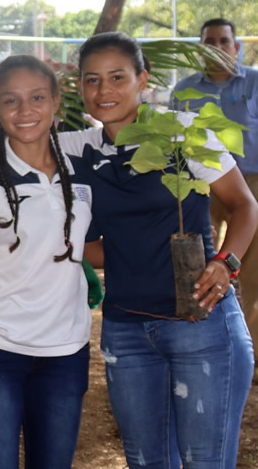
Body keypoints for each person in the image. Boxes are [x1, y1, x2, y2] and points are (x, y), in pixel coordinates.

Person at [59, 31, 256, 469]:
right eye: (91, 80)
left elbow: (244, 206)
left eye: (117, 77)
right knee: (146, 462)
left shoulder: (183, 134)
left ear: (142, 79)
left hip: (202, 325)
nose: (103, 90)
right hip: (125, 333)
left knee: (205, 462)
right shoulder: (75, 150)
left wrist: (227, 262)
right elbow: (6, 135)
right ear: (79, 87)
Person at [0, 55, 94, 468]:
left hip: (66, 350)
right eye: (10, 101)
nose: (25, 111)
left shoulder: (83, 171)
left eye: (37, 98)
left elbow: (90, 245)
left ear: (56, 100)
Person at [173, 18, 258, 339]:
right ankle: (203, 338)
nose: (218, 48)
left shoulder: (255, 83)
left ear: (237, 48)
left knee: (251, 272)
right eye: (210, 42)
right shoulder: (184, 91)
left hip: (251, 189)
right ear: (201, 49)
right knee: (197, 265)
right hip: (200, 188)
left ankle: (250, 350)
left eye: (225, 41)